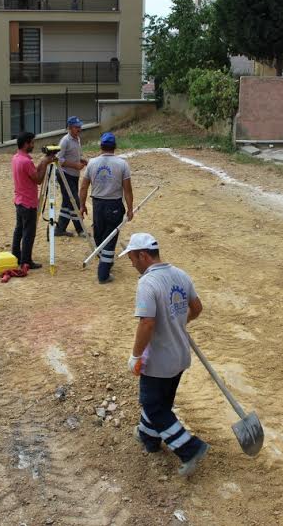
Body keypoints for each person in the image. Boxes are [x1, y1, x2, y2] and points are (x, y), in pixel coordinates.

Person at [121, 233, 210, 476]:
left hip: (158, 360)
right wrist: (178, 323)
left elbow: (147, 323)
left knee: (153, 405)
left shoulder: (147, 283)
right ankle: (148, 438)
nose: (132, 264)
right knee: (161, 402)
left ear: (143, 255)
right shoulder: (180, 274)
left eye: (132, 259)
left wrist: (136, 356)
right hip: (179, 355)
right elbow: (197, 308)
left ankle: (190, 448)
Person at [79, 132, 133, 284]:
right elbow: (127, 190)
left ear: (101, 146)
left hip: (97, 205)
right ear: (114, 146)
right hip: (114, 205)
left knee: (100, 234)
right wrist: (130, 209)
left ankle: (105, 260)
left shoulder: (92, 163)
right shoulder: (122, 164)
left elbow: (83, 187)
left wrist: (82, 205)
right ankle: (103, 274)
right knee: (110, 238)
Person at [12, 131, 53, 270]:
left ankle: (16, 256)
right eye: (32, 142)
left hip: (19, 200)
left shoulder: (16, 158)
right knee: (28, 233)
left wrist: (42, 162)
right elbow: (39, 179)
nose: (33, 145)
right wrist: (45, 163)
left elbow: (32, 173)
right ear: (26, 144)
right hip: (28, 203)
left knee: (19, 230)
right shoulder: (26, 161)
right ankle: (26, 261)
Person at [55, 116, 88, 238]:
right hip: (65, 174)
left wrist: (82, 160)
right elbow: (58, 159)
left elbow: (76, 155)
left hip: (73, 175)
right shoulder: (65, 141)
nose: (79, 129)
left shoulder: (77, 139)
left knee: (67, 202)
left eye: (79, 126)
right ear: (69, 128)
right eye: (76, 127)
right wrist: (75, 165)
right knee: (74, 201)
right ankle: (80, 229)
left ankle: (60, 229)